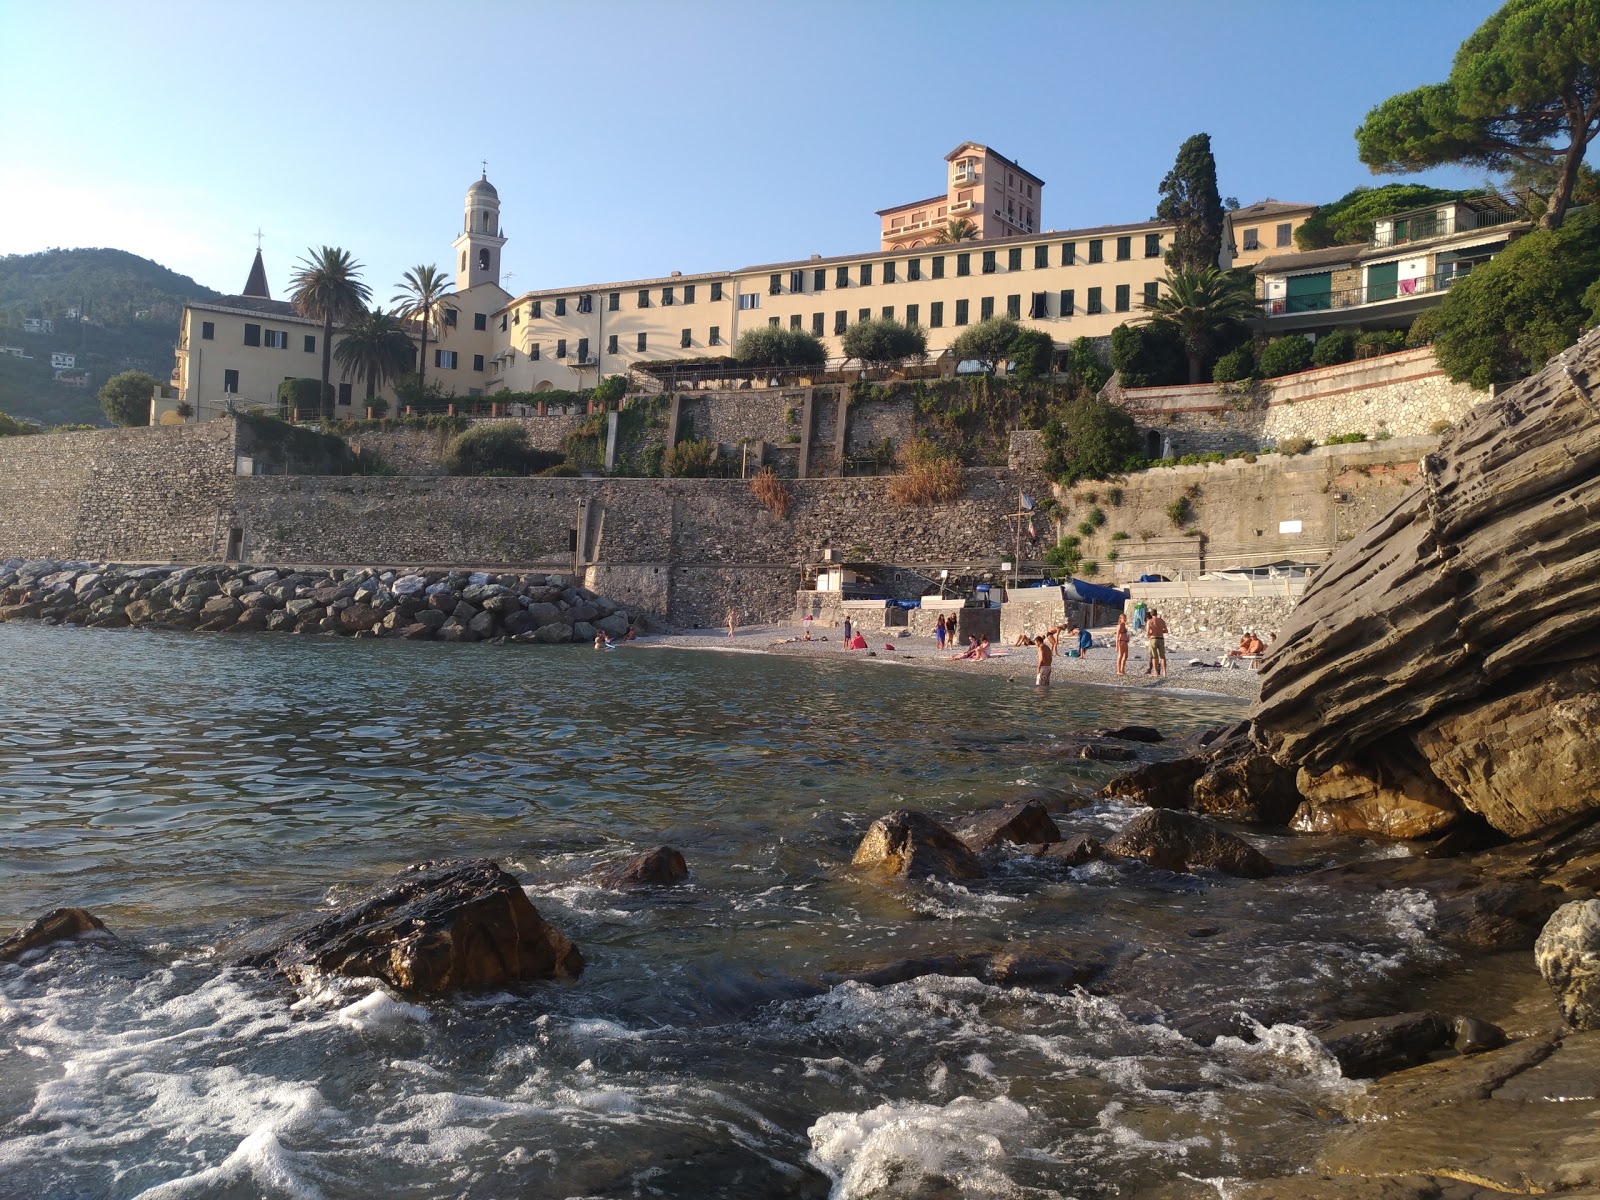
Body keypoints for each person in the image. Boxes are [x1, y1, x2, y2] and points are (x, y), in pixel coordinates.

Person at [1146, 607, 1169, 677]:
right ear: (1156, 613)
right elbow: (1166, 631)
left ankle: (1155, 671)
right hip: (1161, 639)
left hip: (1153, 639)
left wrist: (1152, 632)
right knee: (1162, 657)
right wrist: (1160, 631)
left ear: (1151, 614)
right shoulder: (1161, 621)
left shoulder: (1150, 621)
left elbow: (1147, 633)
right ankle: (1164, 672)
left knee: (1154, 656)